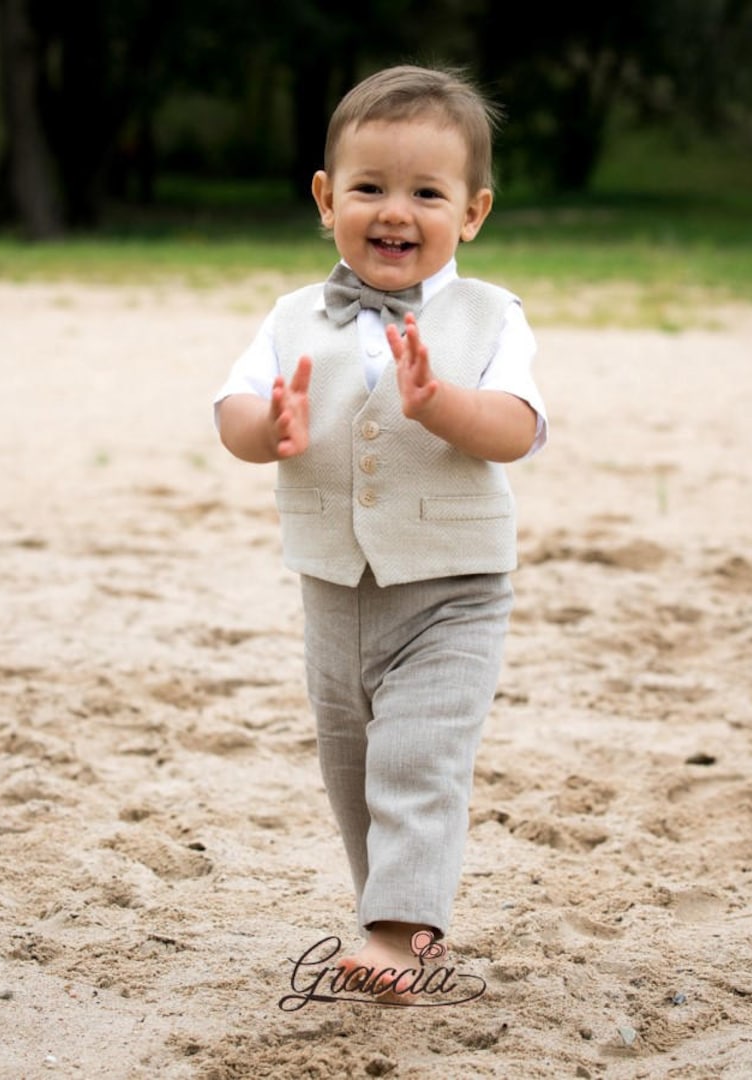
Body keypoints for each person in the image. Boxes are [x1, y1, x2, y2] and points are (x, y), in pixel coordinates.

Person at [213, 63, 547, 996]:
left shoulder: (490, 316)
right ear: (326, 199)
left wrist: (446, 408)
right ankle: (386, 911)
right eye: (369, 187)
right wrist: (264, 431)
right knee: (352, 761)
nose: (394, 211)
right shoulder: (290, 318)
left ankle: (401, 931)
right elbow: (233, 408)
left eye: (425, 193)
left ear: (472, 213)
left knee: (417, 754)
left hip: (454, 584)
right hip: (334, 582)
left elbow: (518, 427)